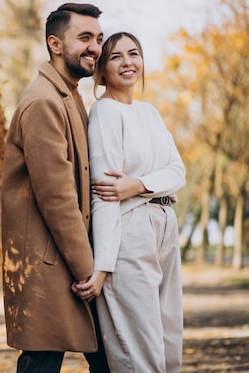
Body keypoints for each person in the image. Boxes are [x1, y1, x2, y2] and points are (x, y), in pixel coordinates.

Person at [1, 3, 109, 373]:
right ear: (56, 44)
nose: (95, 47)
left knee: (106, 359)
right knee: (41, 363)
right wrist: (88, 270)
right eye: (84, 38)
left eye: (98, 38)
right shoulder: (44, 101)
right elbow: (57, 197)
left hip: (66, 262)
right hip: (52, 265)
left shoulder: (69, 95)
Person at [74, 29, 186, 373]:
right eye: (116, 56)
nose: (127, 62)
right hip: (131, 233)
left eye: (133, 53)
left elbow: (177, 171)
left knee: (169, 341)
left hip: (165, 225)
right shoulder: (104, 113)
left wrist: (137, 184)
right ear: (102, 70)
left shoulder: (149, 112)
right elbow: (105, 196)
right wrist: (103, 266)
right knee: (141, 349)